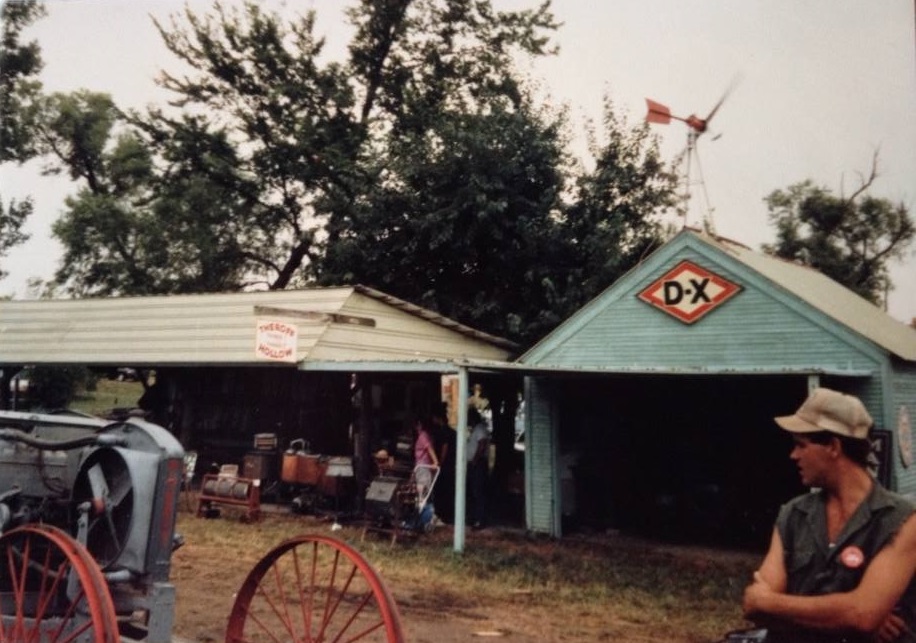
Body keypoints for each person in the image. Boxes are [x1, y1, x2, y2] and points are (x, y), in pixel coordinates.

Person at [741, 387, 916, 643]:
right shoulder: (794, 514)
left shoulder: (901, 521)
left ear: (833, 447)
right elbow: (755, 607)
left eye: (802, 445)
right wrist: (846, 615)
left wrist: (773, 602)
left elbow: (862, 616)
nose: (794, 455)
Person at [412, 416, 439, 529]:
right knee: (420, 495)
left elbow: (429, 448)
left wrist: (435, 461)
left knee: (422, 494)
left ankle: (425, 520)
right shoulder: (423, 436)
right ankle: (422, 520)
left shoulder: (423, 436)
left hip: (424, 469)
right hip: (420, 468)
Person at [466, 406, 490, 530]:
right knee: (473, 492)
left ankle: (480, 520)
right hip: (474, 464)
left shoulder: (480, 428)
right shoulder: (475, 429)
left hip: (478, 464)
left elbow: (482, 443)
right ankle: (474, 518)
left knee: (478, 492)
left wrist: (475, 460)